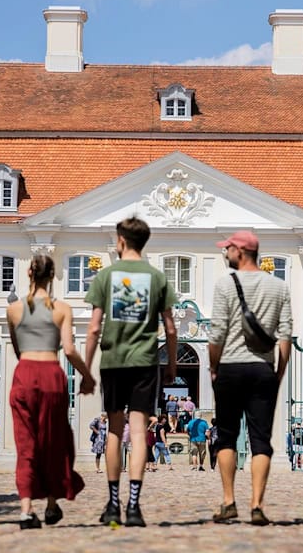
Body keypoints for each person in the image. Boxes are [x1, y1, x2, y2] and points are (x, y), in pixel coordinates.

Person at [84, 216, 178, 527]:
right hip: (145, 362)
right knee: (138, 433)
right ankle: (134, 507)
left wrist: (86, 368)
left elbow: (94, 327)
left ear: (121, 241)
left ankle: (113, 506)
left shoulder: (105, 275)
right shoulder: (156, 277)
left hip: (113, 361)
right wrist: (173, 364)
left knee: (114, 430)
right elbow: (171, 328)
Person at [208, 230, 292, 526]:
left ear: (241, 252)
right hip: (262, 370)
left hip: (230, 367)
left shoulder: (225, 285)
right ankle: (256, 504)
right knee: (260, 440)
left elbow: (216, 332)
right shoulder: (279, 287)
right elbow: (285, 336)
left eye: (228, 248)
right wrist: (278, 373)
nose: (225, 253)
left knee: (227, 436)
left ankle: (229, 501)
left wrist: (213, 367)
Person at [6, 253, 95, 530]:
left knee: (26, 443)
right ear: (53, 275)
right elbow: (69, 350)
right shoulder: (62, 309)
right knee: (53, 439)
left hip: (24, 374)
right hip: (52, 375)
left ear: (29, 273)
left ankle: (25, 509)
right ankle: (52, 503)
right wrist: (87, 376)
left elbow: (17, 348)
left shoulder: (13, 310)